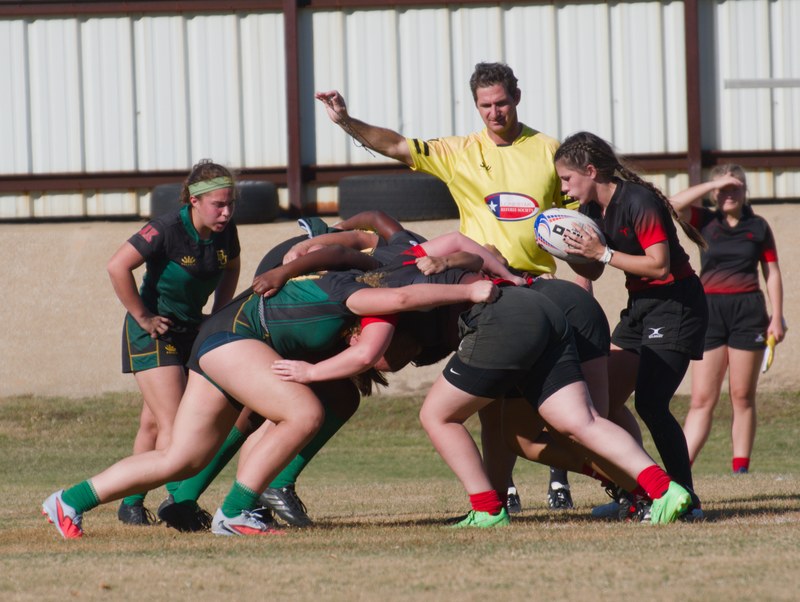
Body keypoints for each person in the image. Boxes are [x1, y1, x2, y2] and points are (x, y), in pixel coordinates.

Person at [42, 246, 499, 539]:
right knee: (303, 413)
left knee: (181, 459)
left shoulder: (373, 275)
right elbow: (395, 306)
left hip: (222, 339)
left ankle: (69, 501)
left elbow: (450, 250)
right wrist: (472, 292)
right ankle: (236, 513)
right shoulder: (365, 297)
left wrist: (470, 268)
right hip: (234, 337)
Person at [317, 61, 575, 511]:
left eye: (501, 102)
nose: (495, 112)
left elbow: (573, 223)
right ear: (475, 105)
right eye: (485, 105)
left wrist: (582, 279)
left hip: (536, 281)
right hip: (484, 286)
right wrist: (346, 121)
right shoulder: (459, 151)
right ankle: (501, 493)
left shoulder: (549, 150)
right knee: (492, 401)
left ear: (517, 97)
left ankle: (566, 478)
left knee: (552, 395)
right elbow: (396, 145)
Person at [415, 284, 693, 527]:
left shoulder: (414, 270)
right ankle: (655, 489)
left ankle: (646, 493)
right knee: (525, 436)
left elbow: (405, 296)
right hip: (552, 308)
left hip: (531, 317)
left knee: (581, 430)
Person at [552, 131, 709, 519]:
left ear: (591, 171)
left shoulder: (638, 201)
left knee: (651, 404)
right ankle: (634, 494)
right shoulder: (591, 210)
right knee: (599, 405)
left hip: (676, 304)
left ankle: (686, 499)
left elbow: (659, 265)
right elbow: (594, 268)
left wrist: (602, 253)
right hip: (640, 308)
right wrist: (569, 250)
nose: (564, 187)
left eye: (567, 179)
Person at [106, 159, 240, 525]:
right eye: (218, 205)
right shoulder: (165, 229)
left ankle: (131, 503)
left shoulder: (226, 231)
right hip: (153, 332)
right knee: (175, 423)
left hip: (190, 330)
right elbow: (117, 266)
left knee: (152, 423)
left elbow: (231, 267)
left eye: (230, 204)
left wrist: (218, 314)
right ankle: (178, 502)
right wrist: (143, 316)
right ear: (194, 201)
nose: (226, 212)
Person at [669, 165, 785, 473]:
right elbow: (671, 205)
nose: (729, 194)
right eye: (723, 189)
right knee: (701, 399)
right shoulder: (704, 221)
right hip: (709, 312)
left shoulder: (758, 226)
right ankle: (680, 470)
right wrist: (712, 184)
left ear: (746, 191)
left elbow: (771, 272)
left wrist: (777, 316)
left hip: (748, 313)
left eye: (736, 187)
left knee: (742, 395)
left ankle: (740, 469)